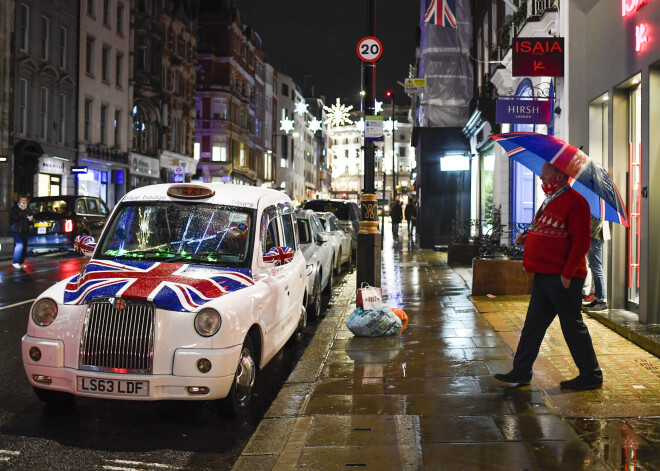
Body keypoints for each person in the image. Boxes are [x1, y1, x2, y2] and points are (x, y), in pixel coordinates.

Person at [494, 162, 603, 391]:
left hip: (562, 277)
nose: (541, 179)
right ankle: (522, 370)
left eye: (545, 174)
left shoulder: (576, 202)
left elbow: (581, 242)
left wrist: (567, 273)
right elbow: (546, 229)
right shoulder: (550, 199)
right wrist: (528, 237)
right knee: (533, 324)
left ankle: (591, 374)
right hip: (545, 275)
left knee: (572, 326)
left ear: (560, 174)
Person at [584, 215, 608, 312]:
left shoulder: (597, 204)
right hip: (594, 235)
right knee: (594, 267)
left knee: (596, 267)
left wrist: (586, 231)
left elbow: (597, 220)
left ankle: (601, 300)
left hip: (595, 235)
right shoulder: (595, 203)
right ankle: (598, 298)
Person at [10, 195, 33, 269]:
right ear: (19, 201)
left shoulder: (28, 209)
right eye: (22, 200)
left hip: (25, 230)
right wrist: (22, 211)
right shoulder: (15, 209)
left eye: (25, 200)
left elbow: (29, 221)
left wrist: (31, 220)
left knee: (24, 247)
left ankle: (20, 262)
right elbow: (15, 218)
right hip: (16, 230)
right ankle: (15, 262)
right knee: (20, 245)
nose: (23, 202)